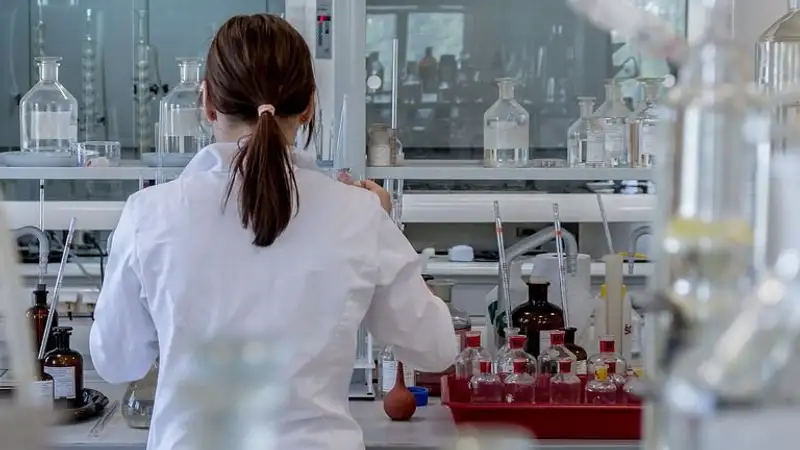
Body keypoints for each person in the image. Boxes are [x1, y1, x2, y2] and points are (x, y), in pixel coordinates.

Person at [89, 14, 458, 450]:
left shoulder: (149, 215)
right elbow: (436, 349)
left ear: (207, 102)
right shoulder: (358, 214)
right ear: (309, 106)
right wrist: (384, 225)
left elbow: (116, 362)